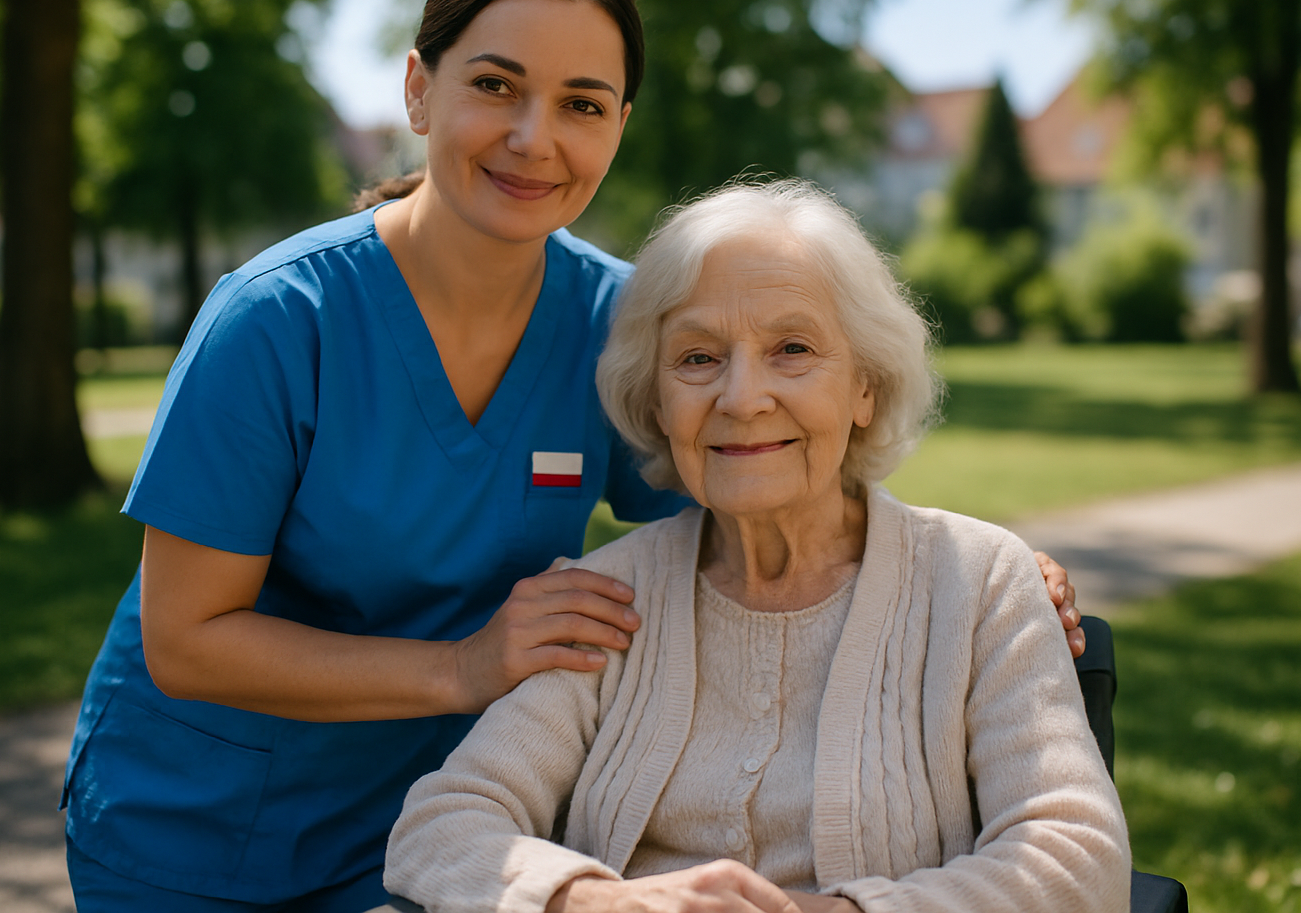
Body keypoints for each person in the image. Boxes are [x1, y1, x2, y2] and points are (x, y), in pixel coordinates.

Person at [61, 0, 1085, 913]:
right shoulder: (280, 319)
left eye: (581, 103)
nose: (534, 138)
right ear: (420, 89)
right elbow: (186, 641)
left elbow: (762, 453)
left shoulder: (622, 324)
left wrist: (971, 565)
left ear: (619, 125)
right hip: (194, 830)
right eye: (495, 85)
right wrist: (464, 666)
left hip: (431, 829)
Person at [383, 179, 1128, 913]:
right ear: (657, 400)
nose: (741, 398)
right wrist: (599, 903)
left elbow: (1077, 856)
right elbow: (441, 826)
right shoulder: (606, 598)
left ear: (865, 387)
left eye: (793, 349)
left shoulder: (980, 584)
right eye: (698, 359)